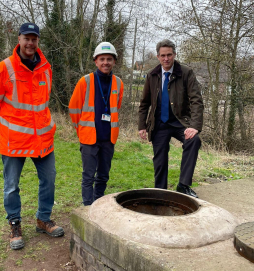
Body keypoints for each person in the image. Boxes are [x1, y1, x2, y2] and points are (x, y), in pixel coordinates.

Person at [0, 22, 64, 250]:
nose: (30, 43)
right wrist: (6, 126)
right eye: (26, 38)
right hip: (14, 141)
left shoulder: (46, 68)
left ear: (38, 41)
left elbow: (43, 102)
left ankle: (43, 219)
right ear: (18, 39)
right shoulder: (3, 68)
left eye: (34, 39)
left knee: (49, 180)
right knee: (11, 186)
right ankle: (15, 225)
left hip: (43, 139)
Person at [138, 39, 204, 197]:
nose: (166, 59)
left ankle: (183, 185)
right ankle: (160, 191)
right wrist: (142, 126)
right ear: (158, 56)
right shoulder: (152, 75)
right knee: (160, 158)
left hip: (180, 122)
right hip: (159, 123)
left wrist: (194, 126)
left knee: (194, 140)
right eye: (162, 55)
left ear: (174, 54)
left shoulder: (186, 73)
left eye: (169, 55)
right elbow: (144, 103)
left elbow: (196, 101)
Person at [69, 42, 124, 205]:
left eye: (109, 59)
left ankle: (98, 204)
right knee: (88, 176)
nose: (105, 62)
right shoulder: (85, 81)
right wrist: (81, 130)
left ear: (114, 61)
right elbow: (73, 109)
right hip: (89, 139)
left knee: (103, 176)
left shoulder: (119, 83)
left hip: (108, 138)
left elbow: (117, 106)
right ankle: (87, 207)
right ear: (96, 61)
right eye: (102, 59)